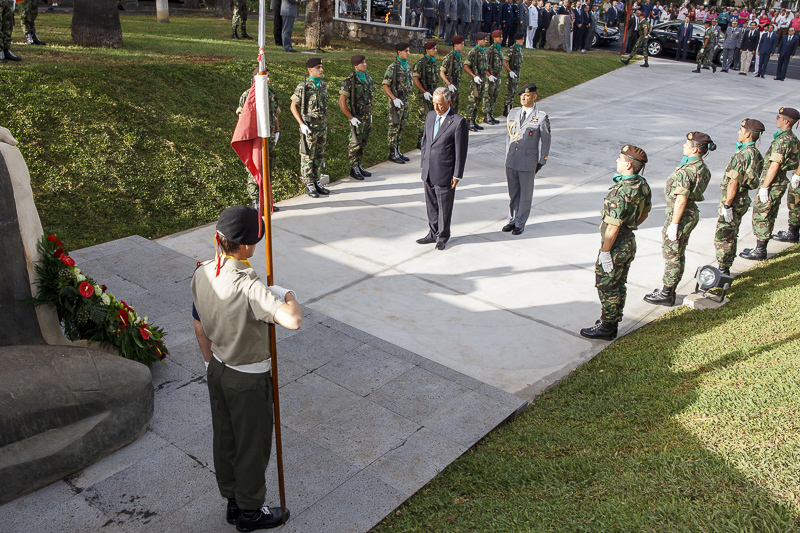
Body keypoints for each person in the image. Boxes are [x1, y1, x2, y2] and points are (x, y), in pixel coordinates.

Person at [191, 206, 301, 532]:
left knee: (225, 440)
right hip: (247, 378)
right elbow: (292, 320)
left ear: (218, 238)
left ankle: (232, 501)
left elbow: (198, 325)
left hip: (218, 368)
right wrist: (287, 295)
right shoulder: (248, 285)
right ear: (247, 246)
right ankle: (251, 512)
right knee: (252, 446)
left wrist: (210, 363)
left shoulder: (202, 272)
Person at [580, 145, 652, 341]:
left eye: (620, 159)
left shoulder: (619, 193)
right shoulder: (642, 185)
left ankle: (607, 326)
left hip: (615, 247)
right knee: (619, 285)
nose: (617, 162)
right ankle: (611, 320)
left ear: (628, 165)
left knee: (607, 286)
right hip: (628, 242)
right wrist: (630, 225)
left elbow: (612, 228)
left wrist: (605, 252)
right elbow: (645, 212)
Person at [644, 132, 715, 307]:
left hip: (681, 215)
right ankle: (669, 289)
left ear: (695, 148)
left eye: (687, 143)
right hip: (689, 213)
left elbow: (681, 199)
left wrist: (674, 224)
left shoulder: (687, 170)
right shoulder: (702, 167)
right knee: (678, 254)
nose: (684, 145)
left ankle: (667, 293)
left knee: (673, 255)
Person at [740, 107, 800, 260]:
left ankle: (760, 250)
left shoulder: (782, 141)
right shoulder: (791, 138)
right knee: (769, 214)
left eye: (779, 117)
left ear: (786, 121)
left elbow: (774, 166)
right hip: (778, 182)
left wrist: (765, 187)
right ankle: (761, 247)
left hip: (773, 182)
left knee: (762, 215)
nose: (776, 119)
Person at [416, 87, 469, 250]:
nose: (436, 107)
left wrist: (457, 174)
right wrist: (423, 164)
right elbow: (425, 142)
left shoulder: (458, 121)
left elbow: (461, 151)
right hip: (428, 170)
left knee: (444, 206)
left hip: (445, 171)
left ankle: (443, 236)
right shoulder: (431, 116)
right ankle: (432, 233)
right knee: (431, 204)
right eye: (434, 103)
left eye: (439, 104)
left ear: (449, 102)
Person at [713, 119, 765, 276]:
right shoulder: (756, 154)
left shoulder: (742, 155)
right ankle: (726, 265)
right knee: (732, 233)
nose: (738, 132)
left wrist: (727, 205)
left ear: (748, 133)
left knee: (724, 236)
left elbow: (733, 182)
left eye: (741, 129)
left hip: (733, 200)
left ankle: (723, 270)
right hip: (742, 199)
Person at [503, 83, 550, 235]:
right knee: (513, 193)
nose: (524, 97)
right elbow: (509, 137)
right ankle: (512, 219)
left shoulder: (541, 117)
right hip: (512, 159)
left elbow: (546, 140)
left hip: (528, 161)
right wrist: (506, 156)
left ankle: (520, 222)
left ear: (534, 97)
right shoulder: (513, 113)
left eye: (527, 95)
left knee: (525, 194)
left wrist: (542, 160)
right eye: (522, 95)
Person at [236, 68, 280, 211]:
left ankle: (267, 200)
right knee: (256, 167)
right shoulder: (248, 94)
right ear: (256, 78)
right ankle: (256, 200)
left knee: (269, 167)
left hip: (270, 137)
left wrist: (277, 131)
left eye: (268, 77)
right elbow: (243, 118)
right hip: (256, 138)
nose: (267, 79)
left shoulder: (271, 93)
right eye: (264, 77)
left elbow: (276, 114)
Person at [290, 58, 330, 199]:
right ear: (310, 70)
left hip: (321, 126)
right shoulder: (303, 86)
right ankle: (309, 183)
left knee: (319, 154)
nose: (321, 69)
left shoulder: (323, 85)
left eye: (321, 67)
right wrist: (301, 124)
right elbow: (293, 106)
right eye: (318, 67)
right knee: (308, 155)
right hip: (309, 127)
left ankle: (317, 180)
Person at [339, 54, 375, 181]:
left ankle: (359, 164)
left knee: (363, 143)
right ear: (355, 65)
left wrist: (370, 114)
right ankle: (353, 167)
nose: (364, 64)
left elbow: (371, 99)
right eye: (361, 63)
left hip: (366, 116)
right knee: (354, 143)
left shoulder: (369, 78)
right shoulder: (350, 80)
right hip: (356, 116)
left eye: (365, 62)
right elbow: (342, 101)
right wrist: (350, 117)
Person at [383, 43, 414, 164]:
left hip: (405, 100)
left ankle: (398, 150)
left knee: (401, 125)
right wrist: (393, 98)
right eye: (406, 51)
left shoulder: (408, 66)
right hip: (396, 101)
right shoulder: (393, 67)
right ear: (399, 52)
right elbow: (385, 85)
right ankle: (392, 152)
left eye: (409, 51)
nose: (408, 53)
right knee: (394, 126)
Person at [414, 41, 440, 148]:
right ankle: (420, 140)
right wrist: (424, 91)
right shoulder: (421, 63)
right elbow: (415, 78)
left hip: (433, 92)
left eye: (436, 48)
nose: (436, 50)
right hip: (424, 93)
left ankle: (430, 138)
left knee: (433, 116)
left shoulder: (434, 62)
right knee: (424, 117)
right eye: (433, 49)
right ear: (427, 50)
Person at [464, 31, 490, 131]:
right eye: (484, 39)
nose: (485, 41)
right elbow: (466, 66)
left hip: (483, 80)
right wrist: (474, 76)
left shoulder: (485, 51)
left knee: (478, 100)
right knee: (472, 101)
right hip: (475, 81)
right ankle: (468, 121)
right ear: (478, 40)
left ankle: (473, 120)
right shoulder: (473, 52)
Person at [440, 35, 465, 113]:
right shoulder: (449, 57)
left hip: (456, 83)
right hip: (450, 84)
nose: (462, 46)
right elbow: (442, 72)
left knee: (456, 104)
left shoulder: (459, 56)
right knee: (449, 105)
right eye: (461, 44)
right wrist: (449, 84)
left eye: (463, 44)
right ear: (455, 45)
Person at [484, 30, 504, 125]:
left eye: (501, 37)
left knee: (494, 95)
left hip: (497, 75)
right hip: (490, 75)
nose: (501, 38)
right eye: (499, 37)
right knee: (488, 95)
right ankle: (486, 114)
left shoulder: (500, 49)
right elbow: (486, 65)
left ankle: (491, 113)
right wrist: (489, 75)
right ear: (494, 38)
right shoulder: (490, 50)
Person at [502, 32, 524, 115]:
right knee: (509, 90)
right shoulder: (512, 49)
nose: (523, 41)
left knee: (514, 90)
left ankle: (511, 107)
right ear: (517, 40)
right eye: (521, 39)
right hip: (512, 71)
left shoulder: (520, 49)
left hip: (517, 72)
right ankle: (506, 108)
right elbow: (504, 61)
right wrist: (510, 71)